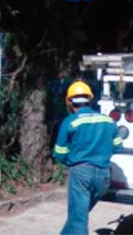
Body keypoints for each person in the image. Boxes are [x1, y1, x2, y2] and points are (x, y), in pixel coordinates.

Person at [53, 80, 122, 235]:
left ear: (70, 102)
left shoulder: (71, 121)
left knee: (78, 220)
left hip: (81, 173)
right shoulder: (108, 120)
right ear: (90, 100)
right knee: (77, 216)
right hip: (104, 176)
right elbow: (118, 144)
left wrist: (73, 162)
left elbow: (59, 152)